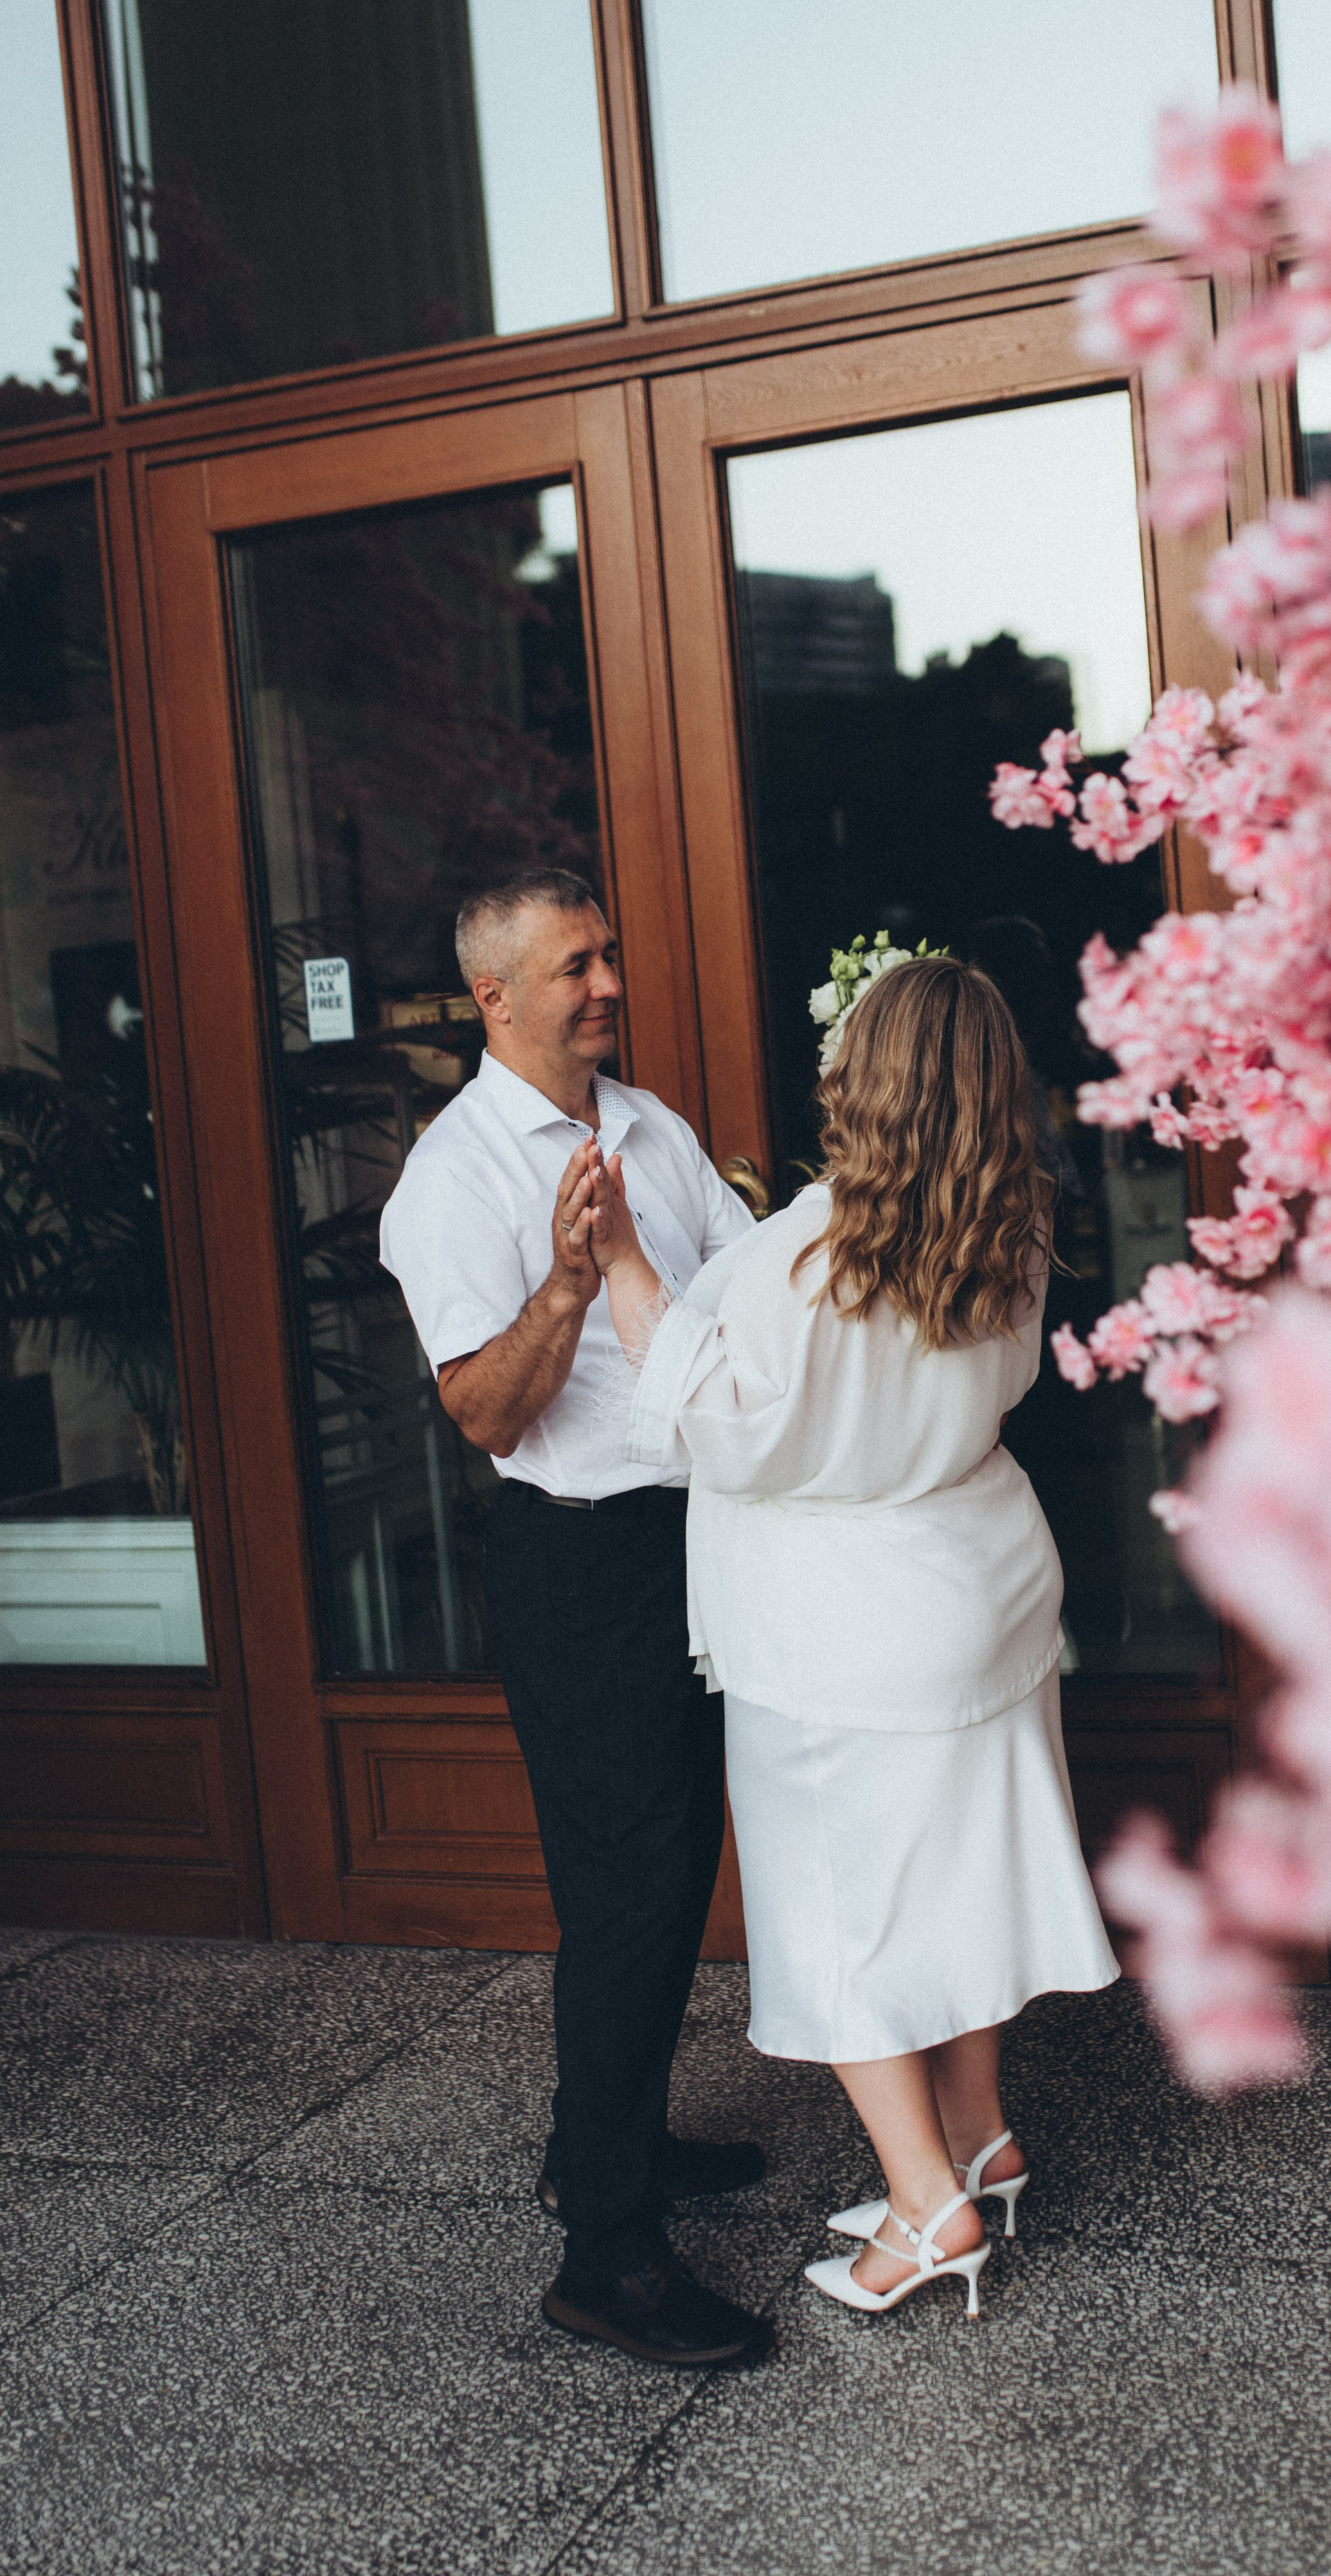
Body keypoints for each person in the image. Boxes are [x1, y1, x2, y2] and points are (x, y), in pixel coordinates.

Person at [585, 955, 1118, 2321]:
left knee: (845, 1918)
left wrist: (624, 1263)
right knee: (962, 1882)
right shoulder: (1013, 1222)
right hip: (980, 1583)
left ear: (858, 1085)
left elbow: (711, 1418)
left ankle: (928, 2204)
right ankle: (980, 2137)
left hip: (841, 1625)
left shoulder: (804, 1254)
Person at [379, 866, 773, 2370]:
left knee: (672, 1881)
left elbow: (735, 1278)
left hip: (697, 1533)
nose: (605, 981)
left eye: (607, 953)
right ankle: (603, 2256)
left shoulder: (649, 1121)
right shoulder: (452, 1180)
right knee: (622, 1898)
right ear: (492, 996)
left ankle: (595, 2141)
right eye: (572, 965)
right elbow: (481, 1410)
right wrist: (560, 1280)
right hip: (581, 1561)